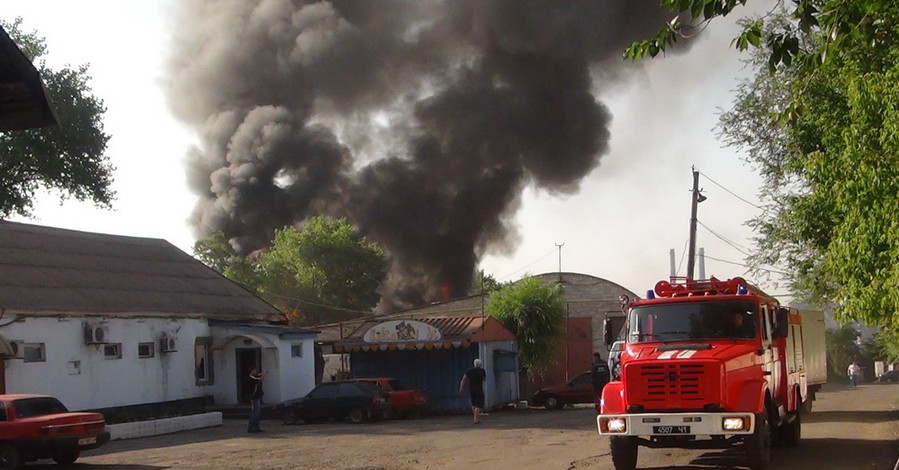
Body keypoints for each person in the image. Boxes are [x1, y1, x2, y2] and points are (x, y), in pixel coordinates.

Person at [459, 358, 487, 424]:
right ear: (480, 364)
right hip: (479, 389)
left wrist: (461, 387)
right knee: (478, 405)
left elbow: (464, 379)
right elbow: (484, 379)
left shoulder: (469, 371)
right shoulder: (482, 371)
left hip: (471, 389)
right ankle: (476, 420)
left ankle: (476, 418)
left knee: (473, 404)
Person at [247, 368, 267, 433]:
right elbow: (261, 379)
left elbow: (258, 375)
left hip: (256, 397)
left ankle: (256, 427)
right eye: (254, 370)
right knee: (255, 413)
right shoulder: (251, 379)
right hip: (254, 398)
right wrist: (264, 373)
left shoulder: (252, 378)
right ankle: (251, 428)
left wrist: (262, 373)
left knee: (256, 413)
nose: (256, 372)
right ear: (251, 371)